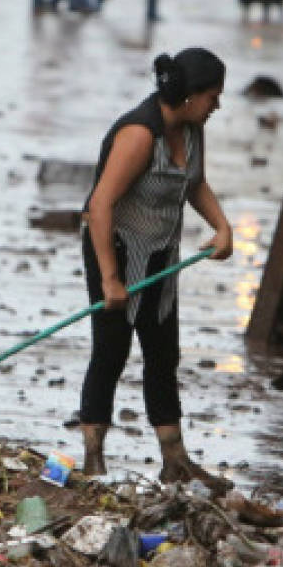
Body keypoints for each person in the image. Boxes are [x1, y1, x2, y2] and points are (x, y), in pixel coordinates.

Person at [77, 49, 234, 493]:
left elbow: (195, 184)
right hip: (118, 248)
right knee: (111, 348)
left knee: (163, 351)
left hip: (162, 253)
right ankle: (93, 458)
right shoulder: (139, 134)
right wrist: (110, 277)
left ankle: (174, 458)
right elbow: (100, 205)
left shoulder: (193, 129)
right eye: (212, 97)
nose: (216, 106)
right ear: (188, 96)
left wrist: (222, 226)